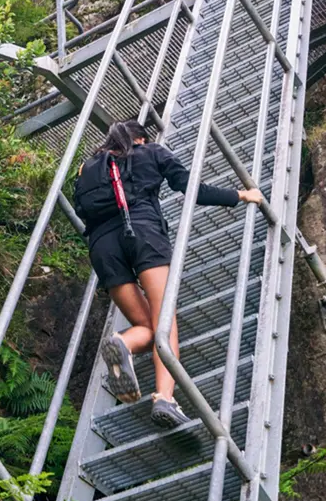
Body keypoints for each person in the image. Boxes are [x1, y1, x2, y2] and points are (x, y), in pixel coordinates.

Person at [74, 119, 263, 428]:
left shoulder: (87, 169)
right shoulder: (150, 152)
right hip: (143, 233)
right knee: (165, 322)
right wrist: (241, 195)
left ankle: (126, 342)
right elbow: (193, 190)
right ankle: (164, 398)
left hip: (102, 249)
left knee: (146, 326)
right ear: (142, 139)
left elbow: (82, 209)